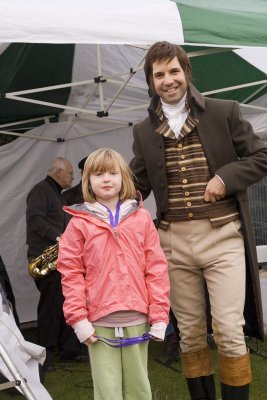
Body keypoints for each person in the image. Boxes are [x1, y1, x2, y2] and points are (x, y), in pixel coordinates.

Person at [129, 41, 267, 400]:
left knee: (228, 330)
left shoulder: (225, 111)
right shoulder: (143, 131)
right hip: (171, 243)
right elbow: (137, 185)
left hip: (222, 237)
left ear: (186, 72)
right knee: (189, 333)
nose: (168, 80)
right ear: (151, 81)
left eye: (174, 71)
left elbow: (261, 156)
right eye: (159, 74)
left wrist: (226, 177)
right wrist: (103, 202)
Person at [57, 148, 170, 400]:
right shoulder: (78, 224)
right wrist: (78, 320)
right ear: (88, 181)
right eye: (98, 174)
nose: (106, 179)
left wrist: (160, 316)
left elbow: (156, 268)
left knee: (139, 389)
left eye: (112, 172)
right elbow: (71, 273)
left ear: (124, 178)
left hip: (138, 318)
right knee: (107, 391)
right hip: (98, 323)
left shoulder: (141, 219)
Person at [26, 157, 88, 372]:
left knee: (63, 305)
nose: (72, 177)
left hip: (58, 259)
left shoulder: (55, 193)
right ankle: (45, 353)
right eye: (70, 173)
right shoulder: (41, 190)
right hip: (44, 258)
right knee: (50, 309)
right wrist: (60, 237)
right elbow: (35, 220)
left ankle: (67, 350)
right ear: (59, 172)